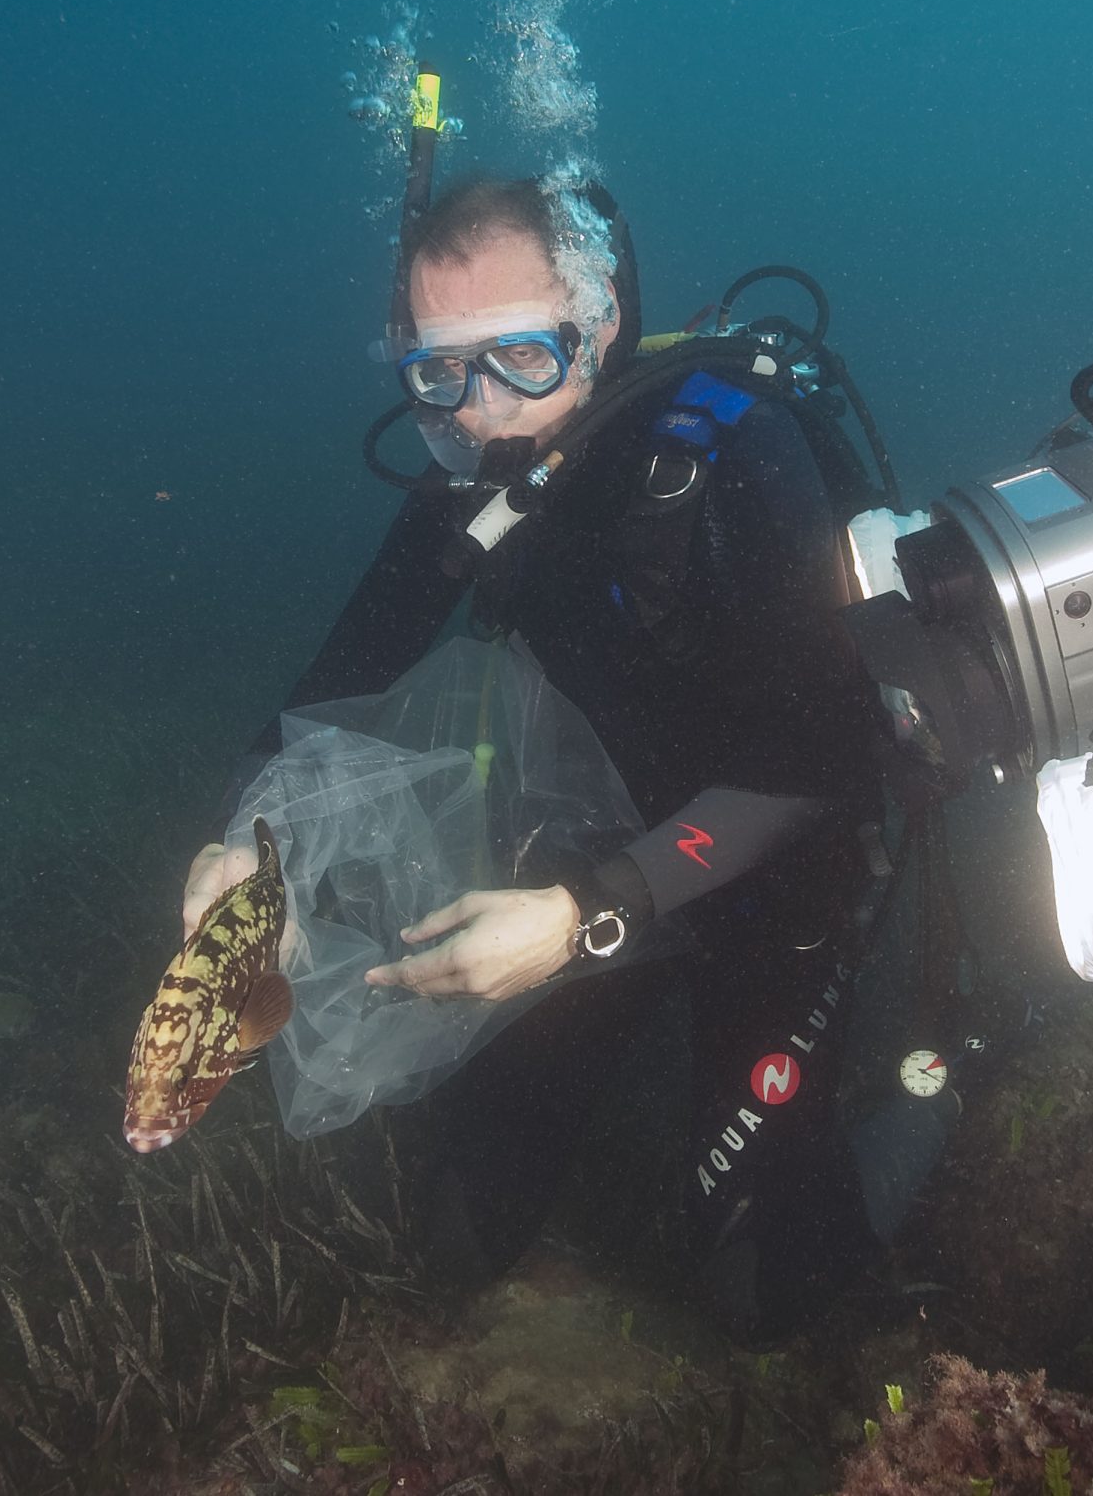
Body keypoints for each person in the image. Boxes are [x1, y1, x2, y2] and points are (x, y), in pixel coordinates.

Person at [182, 177, 890, 1338]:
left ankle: (937, 1066)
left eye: (520, 356)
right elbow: (345, 669)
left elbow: (820, 759)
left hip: (771, 877)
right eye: (440, 371)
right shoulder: (469, 480)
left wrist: (587, 912)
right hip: (586, 857)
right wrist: (236, 837)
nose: (483, 412)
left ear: (600, 321)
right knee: (460, 1228)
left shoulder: (738, 450)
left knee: (758, 1295)